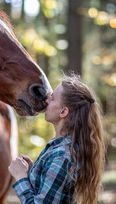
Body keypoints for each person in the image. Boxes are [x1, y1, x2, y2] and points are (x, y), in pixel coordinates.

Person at [8, 73, 105, 204]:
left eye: (52, 99)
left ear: (63, 112)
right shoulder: (59, 146)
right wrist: (34, 172)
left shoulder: (62, 156)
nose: (47, 100)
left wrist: (20, 177)